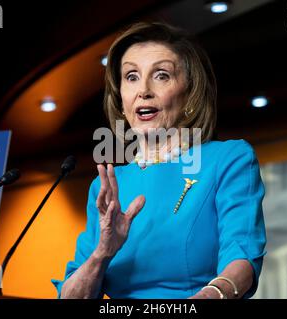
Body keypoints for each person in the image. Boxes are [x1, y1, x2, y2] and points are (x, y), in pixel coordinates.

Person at [52, 22, 266, 299]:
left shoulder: (227, 159)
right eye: (131, 77)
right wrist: (102, 253)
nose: (144, 90)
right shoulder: (107, 185)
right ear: (120, 98)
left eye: (162, 75)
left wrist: (207, 297)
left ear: (190, 93)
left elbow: (242, 257)